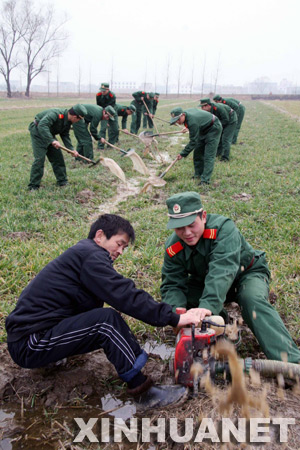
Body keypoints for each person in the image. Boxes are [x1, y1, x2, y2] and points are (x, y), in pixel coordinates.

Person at [5, 214, 203, 408]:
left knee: (101, 319)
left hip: (34, 336)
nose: (121, 251)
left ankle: (54, 357)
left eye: (124, 247)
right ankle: (143, 391)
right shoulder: (91, 255)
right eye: (119, 243)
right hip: (30, 343)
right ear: (99, 236)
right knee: (105, 322)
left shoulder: (84, 254)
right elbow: (124, 294)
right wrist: (174, 318)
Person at [160, 191, 300, 363]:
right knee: (183, 299)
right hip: (207, 282)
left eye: (191, 224)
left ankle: (291, 363)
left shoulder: (223, 228)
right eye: (180, 227)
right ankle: (222, 327)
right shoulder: (173, 246)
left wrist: (207, 306)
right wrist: (177, 315)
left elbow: (222, 269)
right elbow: (172, 284)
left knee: (252, 300)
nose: (187, 232)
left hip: (246, 274)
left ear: (203, 216)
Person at [28, 104, 87, 191]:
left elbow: (65, 135)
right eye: (79, 119)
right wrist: (52, 140)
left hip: (49, 133)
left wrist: (71, 149)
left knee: (57, 157)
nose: (78, 121)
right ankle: (33, 186)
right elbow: (42, 125)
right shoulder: (56, 114)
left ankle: (62, 181)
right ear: (75, 116)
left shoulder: (68, 121)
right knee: (39, 159)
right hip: (38, 132)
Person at [169, 106, 222, 185]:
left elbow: (193, 141)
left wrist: (183, 153)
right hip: (203, 128)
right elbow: (195, 122)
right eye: (175, 121)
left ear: (183, 115)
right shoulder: (187, 115)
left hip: (213, 127)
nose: (177, 122)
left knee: (209, 155)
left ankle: (205, 180)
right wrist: (188, 127)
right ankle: (198, 174)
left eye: (178, 120)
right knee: (197, 152)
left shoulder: (192, 122)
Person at [96, 82, 117, 149]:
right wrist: (103, 116)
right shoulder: (98, 95)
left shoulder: (112, 95)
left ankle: (110, 145)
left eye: (104, 91)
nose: (102, 92)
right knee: (103, 129)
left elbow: (111, 107)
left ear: (108, 89)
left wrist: (109, 119)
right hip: (103, 112)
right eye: (101, 90)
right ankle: (100, 146)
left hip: (112, 111)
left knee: (114, 129)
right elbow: (99, 106)